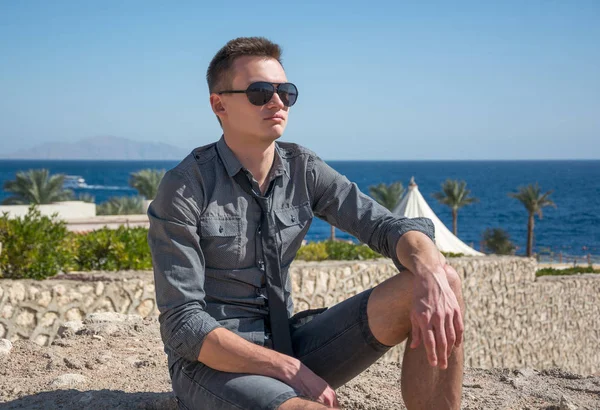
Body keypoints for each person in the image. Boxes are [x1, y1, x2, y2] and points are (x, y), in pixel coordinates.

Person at [147, 36, 465, 410]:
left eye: (286, 92)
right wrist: (286, 368)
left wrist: (430, 271)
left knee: (441, 278)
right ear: (220, 104)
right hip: (213, 365)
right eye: (260, 92)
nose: (278, 102)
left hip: (290, 345)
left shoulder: (303, 168)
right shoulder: (186, 187)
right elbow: (183, 324)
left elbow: (384, 226)